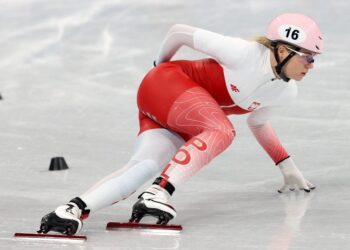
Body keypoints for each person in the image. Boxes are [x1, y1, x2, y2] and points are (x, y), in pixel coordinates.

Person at [38, 13, 323, 235]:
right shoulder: (244, 53)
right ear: (284, 50)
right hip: (166, 86)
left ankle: (71, 210)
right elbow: (179, 32)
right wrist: (159, 67)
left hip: (180, 115)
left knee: (144, 167)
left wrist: (287, 168)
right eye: (308, 56)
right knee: (221, 129)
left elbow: (259, 124)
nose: (311, 64)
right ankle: (158, 192)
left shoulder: (286, 92)